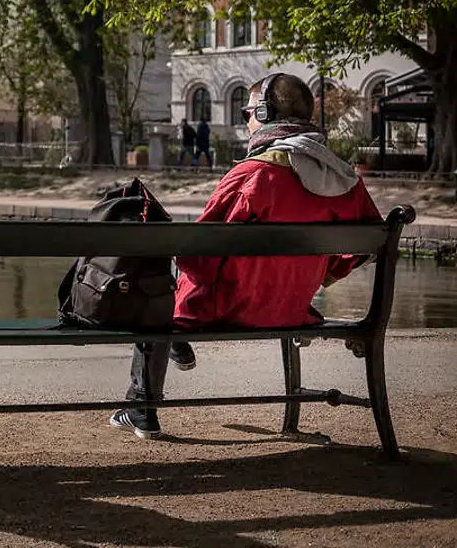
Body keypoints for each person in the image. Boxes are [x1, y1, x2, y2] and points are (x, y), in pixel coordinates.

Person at [111, 73, 381, 438]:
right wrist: (323, 275)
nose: (247, 120)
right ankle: (174, 344)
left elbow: (198, 255)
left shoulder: (252, 175)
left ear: (267, 113)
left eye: (248, 112)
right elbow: (368, 244)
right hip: (293, 308)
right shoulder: (346, 181)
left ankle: (142, 407)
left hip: (225, 308)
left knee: (155, 298)